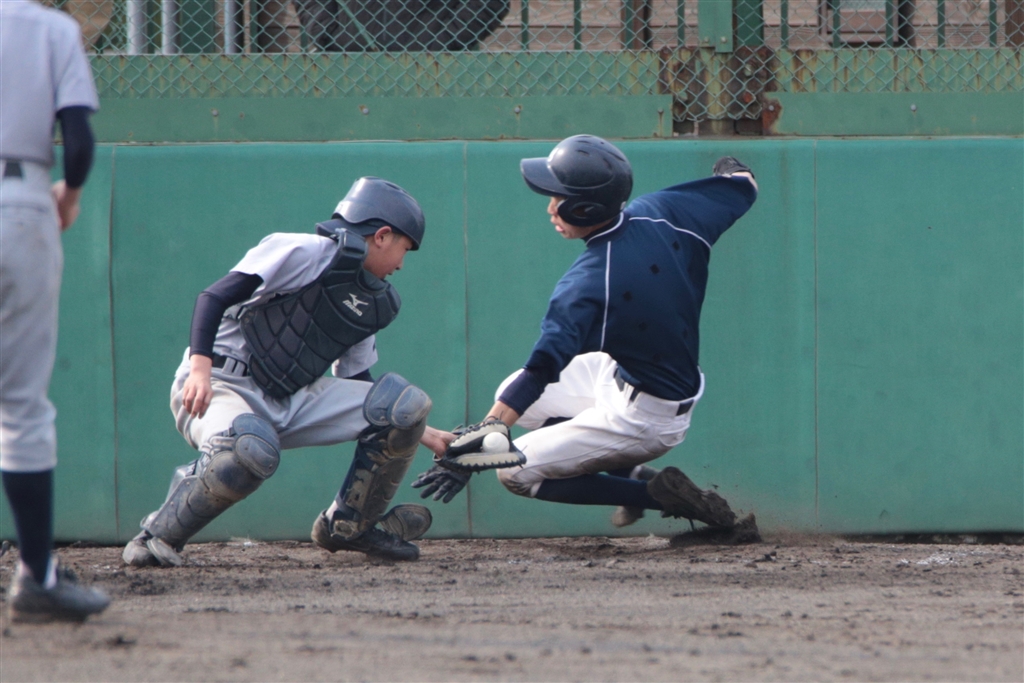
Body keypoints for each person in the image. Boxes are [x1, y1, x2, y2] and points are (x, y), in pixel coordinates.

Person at [414, 135, 759, 537]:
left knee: (514, 473)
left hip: (646, 418)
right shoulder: (663, 211)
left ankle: (659, 495)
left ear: (585, 208)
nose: (550, 207)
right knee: (513, 397)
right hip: (623, 373)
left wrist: (486, 435)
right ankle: (629, 470)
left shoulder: (588, 285)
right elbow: (744, 183)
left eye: (558, 197)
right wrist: (729, 171)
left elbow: (542, 369)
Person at [122, 177, 453, 568]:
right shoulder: (301, 250)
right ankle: (157, 535)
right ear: (382, 236)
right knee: (246, 451)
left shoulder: (371, 299)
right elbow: (214, 297)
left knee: (403, 406)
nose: (401, 263)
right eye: (404, 248)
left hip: (291, 397)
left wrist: (424, 433)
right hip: (223, 384)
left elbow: (361, 387)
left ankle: (348, 526)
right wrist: (199, 369)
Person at [0, 0, 111, 621]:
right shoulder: (51, 28)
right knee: (20, 406)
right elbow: (80, 143)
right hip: (20, 204)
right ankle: (37, 576)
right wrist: (66, 197)